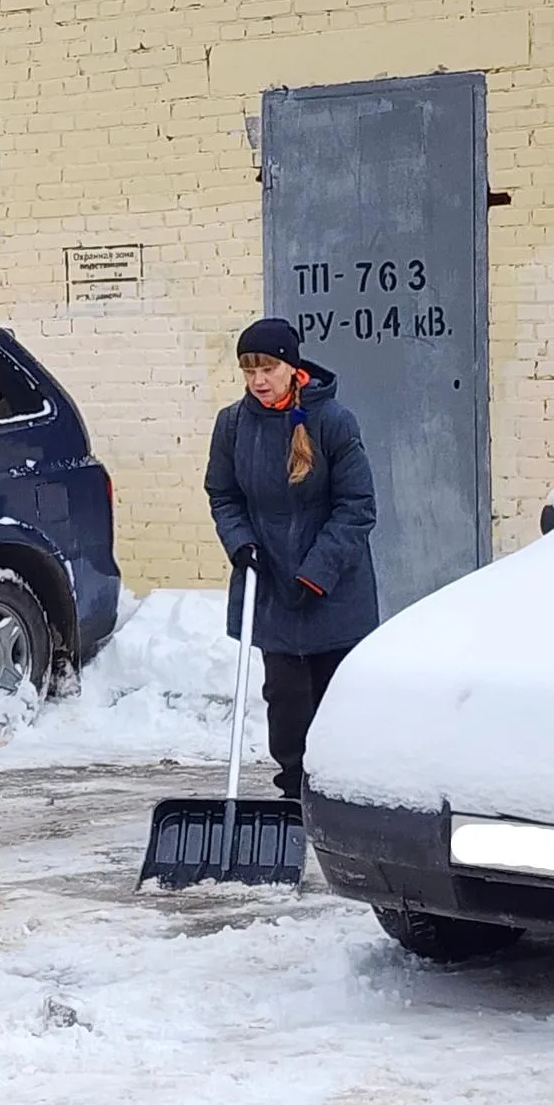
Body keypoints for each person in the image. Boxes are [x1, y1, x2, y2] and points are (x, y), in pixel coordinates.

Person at [205, 317, 379, 799]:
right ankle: (293, 790)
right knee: (284, 697)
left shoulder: (333, 421)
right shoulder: (233, 424)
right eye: (248, 370)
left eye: (269, 368)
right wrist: (241, 543)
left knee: (332, 696)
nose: (259, 381)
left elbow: (358, 507)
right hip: (269, 580)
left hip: (333, 586)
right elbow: (223, 495)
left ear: (292, 366)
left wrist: (317, 572)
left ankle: (338, 793)